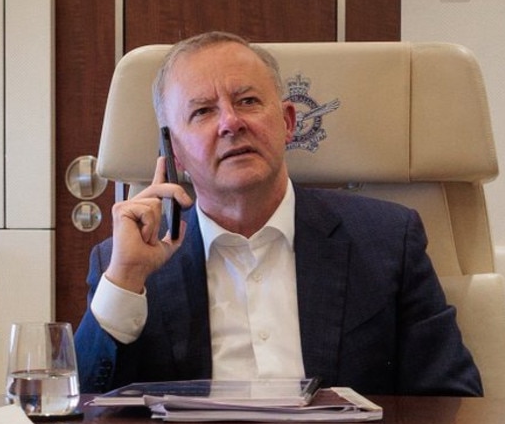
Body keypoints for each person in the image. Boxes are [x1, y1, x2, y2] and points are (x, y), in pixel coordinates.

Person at [75, 31, 482, 397]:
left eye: (247, 101)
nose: (231, 123)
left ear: (288, 123)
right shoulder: (128, 263)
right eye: (202, 112)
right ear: (173, 153)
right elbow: (81, 412)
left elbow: (452, 403)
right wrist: (125, 281)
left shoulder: (388, 239)